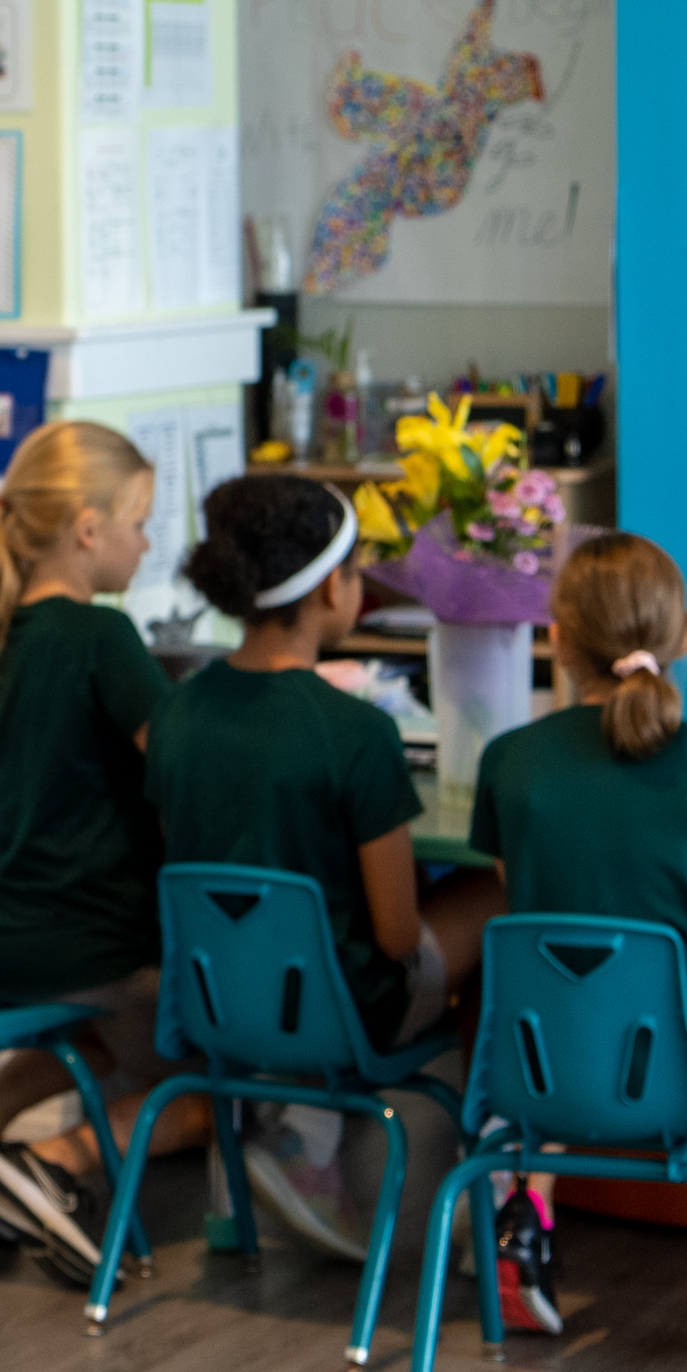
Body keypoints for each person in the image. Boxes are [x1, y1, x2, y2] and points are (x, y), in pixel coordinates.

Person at [145, 473, 503, 1261]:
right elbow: (397, 932)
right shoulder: (355, 733)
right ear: (331, 587)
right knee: (498, 894)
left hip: (215, 1005)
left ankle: (294, 1137)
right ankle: (496, 1202)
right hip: (341, 1013)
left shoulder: (175, 715)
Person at [467, 532, 687, 1356]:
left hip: (541, 1071)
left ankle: (522, 1227)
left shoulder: (509, 764)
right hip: (682, 1076)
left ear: (557, 642)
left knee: (565, 1021)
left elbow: (536, 912)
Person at [0, 421, 212, 1284]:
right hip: (87, 944)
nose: (147, 541)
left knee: (91, 1043)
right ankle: (51, 1164)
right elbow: (181, 763)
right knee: (215, 1093)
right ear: (90, 531)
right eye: (138, 521)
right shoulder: (102, 639)